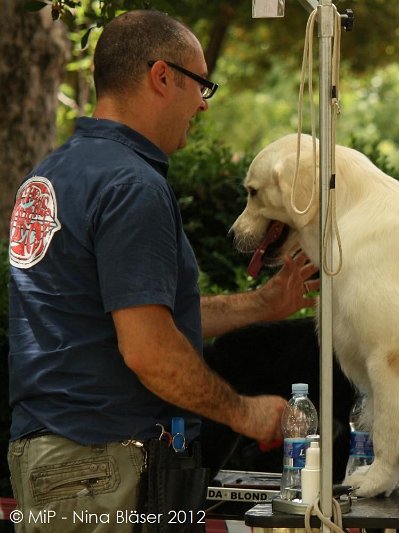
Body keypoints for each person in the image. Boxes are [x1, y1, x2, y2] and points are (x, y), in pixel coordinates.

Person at [6, 10, 318, 530]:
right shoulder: (132, 185)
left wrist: (262, 304)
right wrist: (245, 412)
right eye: (201, 84)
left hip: (58, 463)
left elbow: (125, 316)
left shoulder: (52, 173)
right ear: (162, 76)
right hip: (104, 467)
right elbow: (148, 348)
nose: (203, 103)